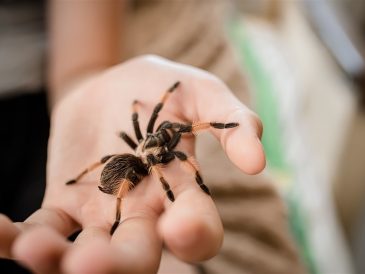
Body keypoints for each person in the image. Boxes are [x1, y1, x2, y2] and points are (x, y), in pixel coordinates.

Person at [0, 1, 305, 273]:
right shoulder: (156, 161)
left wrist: (209, 121)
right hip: (119, 161)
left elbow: (143, 115)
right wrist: (167, 190)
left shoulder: (152, 145)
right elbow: (160, 158)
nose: (166, 137)